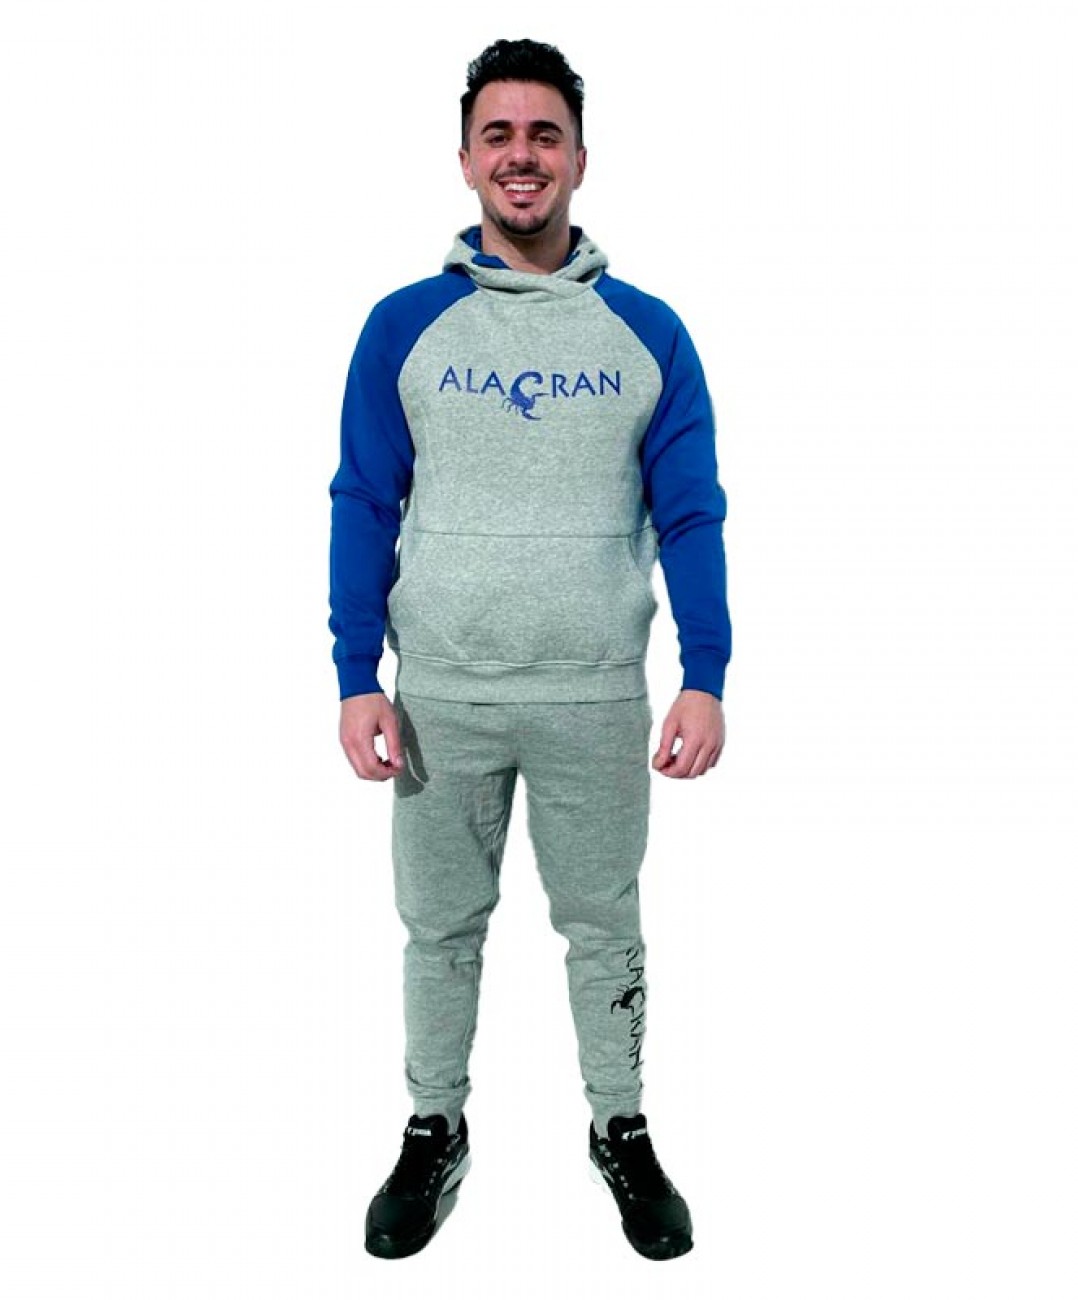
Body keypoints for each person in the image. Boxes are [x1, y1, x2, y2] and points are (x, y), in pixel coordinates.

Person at [328, 38, 731, 1262]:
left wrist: (704, 673)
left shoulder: (647, 334)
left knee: (604, 926)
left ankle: (621, 1126)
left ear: (579, 160)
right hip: (440, 698)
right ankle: (433, 1127)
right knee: (438, 928)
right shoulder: (403, 326)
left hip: (593, 698)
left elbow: (690, 512)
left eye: (543, 134)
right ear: (464, 159)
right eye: (498, 135)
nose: (521, 155)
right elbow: (363, 500)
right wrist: (354, 675)